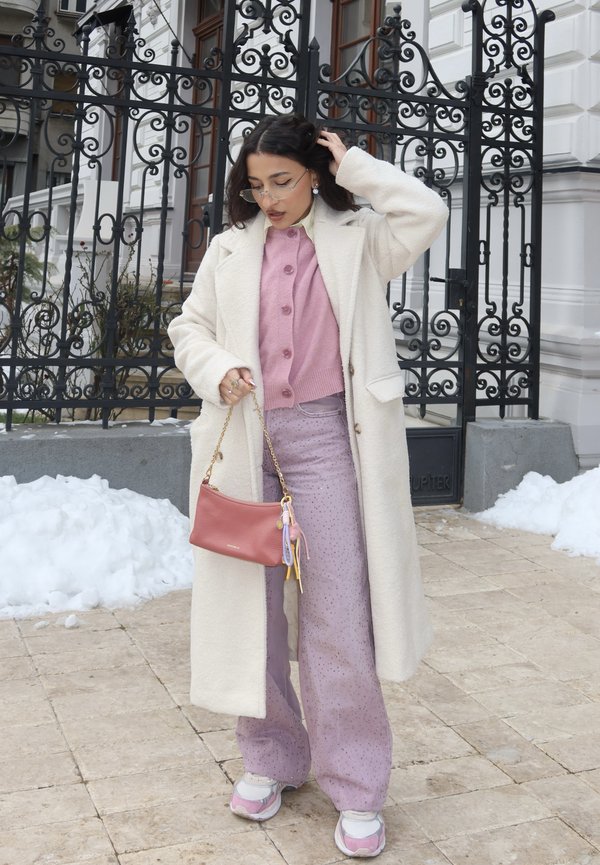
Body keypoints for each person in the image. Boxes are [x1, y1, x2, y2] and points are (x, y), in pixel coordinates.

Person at [168, 113, 448, 858]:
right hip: (247, 438)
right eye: (256, 185)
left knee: (336, 614)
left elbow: (427, 210)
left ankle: (356, 782)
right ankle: (270, 757)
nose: (269, 198)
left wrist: (352, 164)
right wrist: (217, 366)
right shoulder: (229, 249)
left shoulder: (360, 239)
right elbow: (188, 326)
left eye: (283, 180)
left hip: (328, 441)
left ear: (315, 172)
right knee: (250, 610)